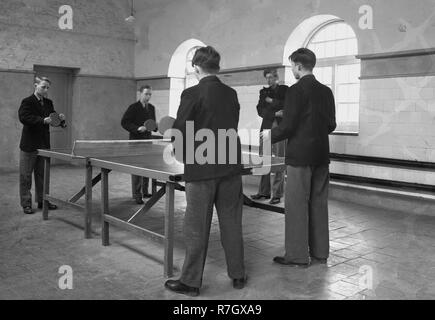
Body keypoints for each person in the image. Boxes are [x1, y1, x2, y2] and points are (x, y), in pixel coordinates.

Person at [164, 46, 246, 297]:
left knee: (196, 226)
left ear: (196, 67)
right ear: (217, 67)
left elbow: (181, 130)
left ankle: (190, 282)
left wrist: (181, 155)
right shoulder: (231, 93)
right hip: (230, 165)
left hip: (201, 168)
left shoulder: (191, 93)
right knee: (232, 222)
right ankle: (238, 274)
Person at [262, 48, 336, 266]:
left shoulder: (295, 91)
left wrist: (268, 136)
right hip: (321, 155)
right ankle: (320, 253)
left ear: (298, 66)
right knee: (319, 204)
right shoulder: (326, 91)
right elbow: (331, 124)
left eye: (292, 65)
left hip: (300, 158)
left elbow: (288, 126)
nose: (292, 69)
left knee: (296, 205)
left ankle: (296, 256)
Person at [18, 76, 65, 214]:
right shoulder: (27, 101)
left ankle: (42, 201)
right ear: (35, 85)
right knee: (25, 176)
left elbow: (53, 118)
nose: (45, 90)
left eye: (47, 88)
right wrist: (42, 120)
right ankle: (26, 204)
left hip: (44, 144)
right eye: (43, 87)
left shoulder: (49, 102)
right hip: (29, 145)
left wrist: (61, 120)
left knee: (43, 175)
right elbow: (24, 117)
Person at [251, 68, 287, 205]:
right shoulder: (263, 92)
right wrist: (275, 113)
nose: (269, 80)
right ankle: (263, 192)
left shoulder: (285, 90)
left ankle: (277, 194)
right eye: (267, 77)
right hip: (266, 128)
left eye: (271, 77)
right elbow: (260, 110)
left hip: (280, 129)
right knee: (264, 161)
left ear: (277, 77)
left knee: (279, 161)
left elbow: (286, 105)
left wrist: (271, 101)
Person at [121, 85, 157, 204]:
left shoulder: (151, 108)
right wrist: (137, 128)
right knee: (137, 168)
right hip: (136, 142)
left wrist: (156, 127)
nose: (148, 96)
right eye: (146, 94)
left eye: (150, 94)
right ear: (140, 93)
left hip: (148, 141)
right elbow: (124, 122)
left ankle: (145, 191)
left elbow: (152, 124)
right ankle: (137, 194)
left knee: (147, 167)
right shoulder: (133, 107)